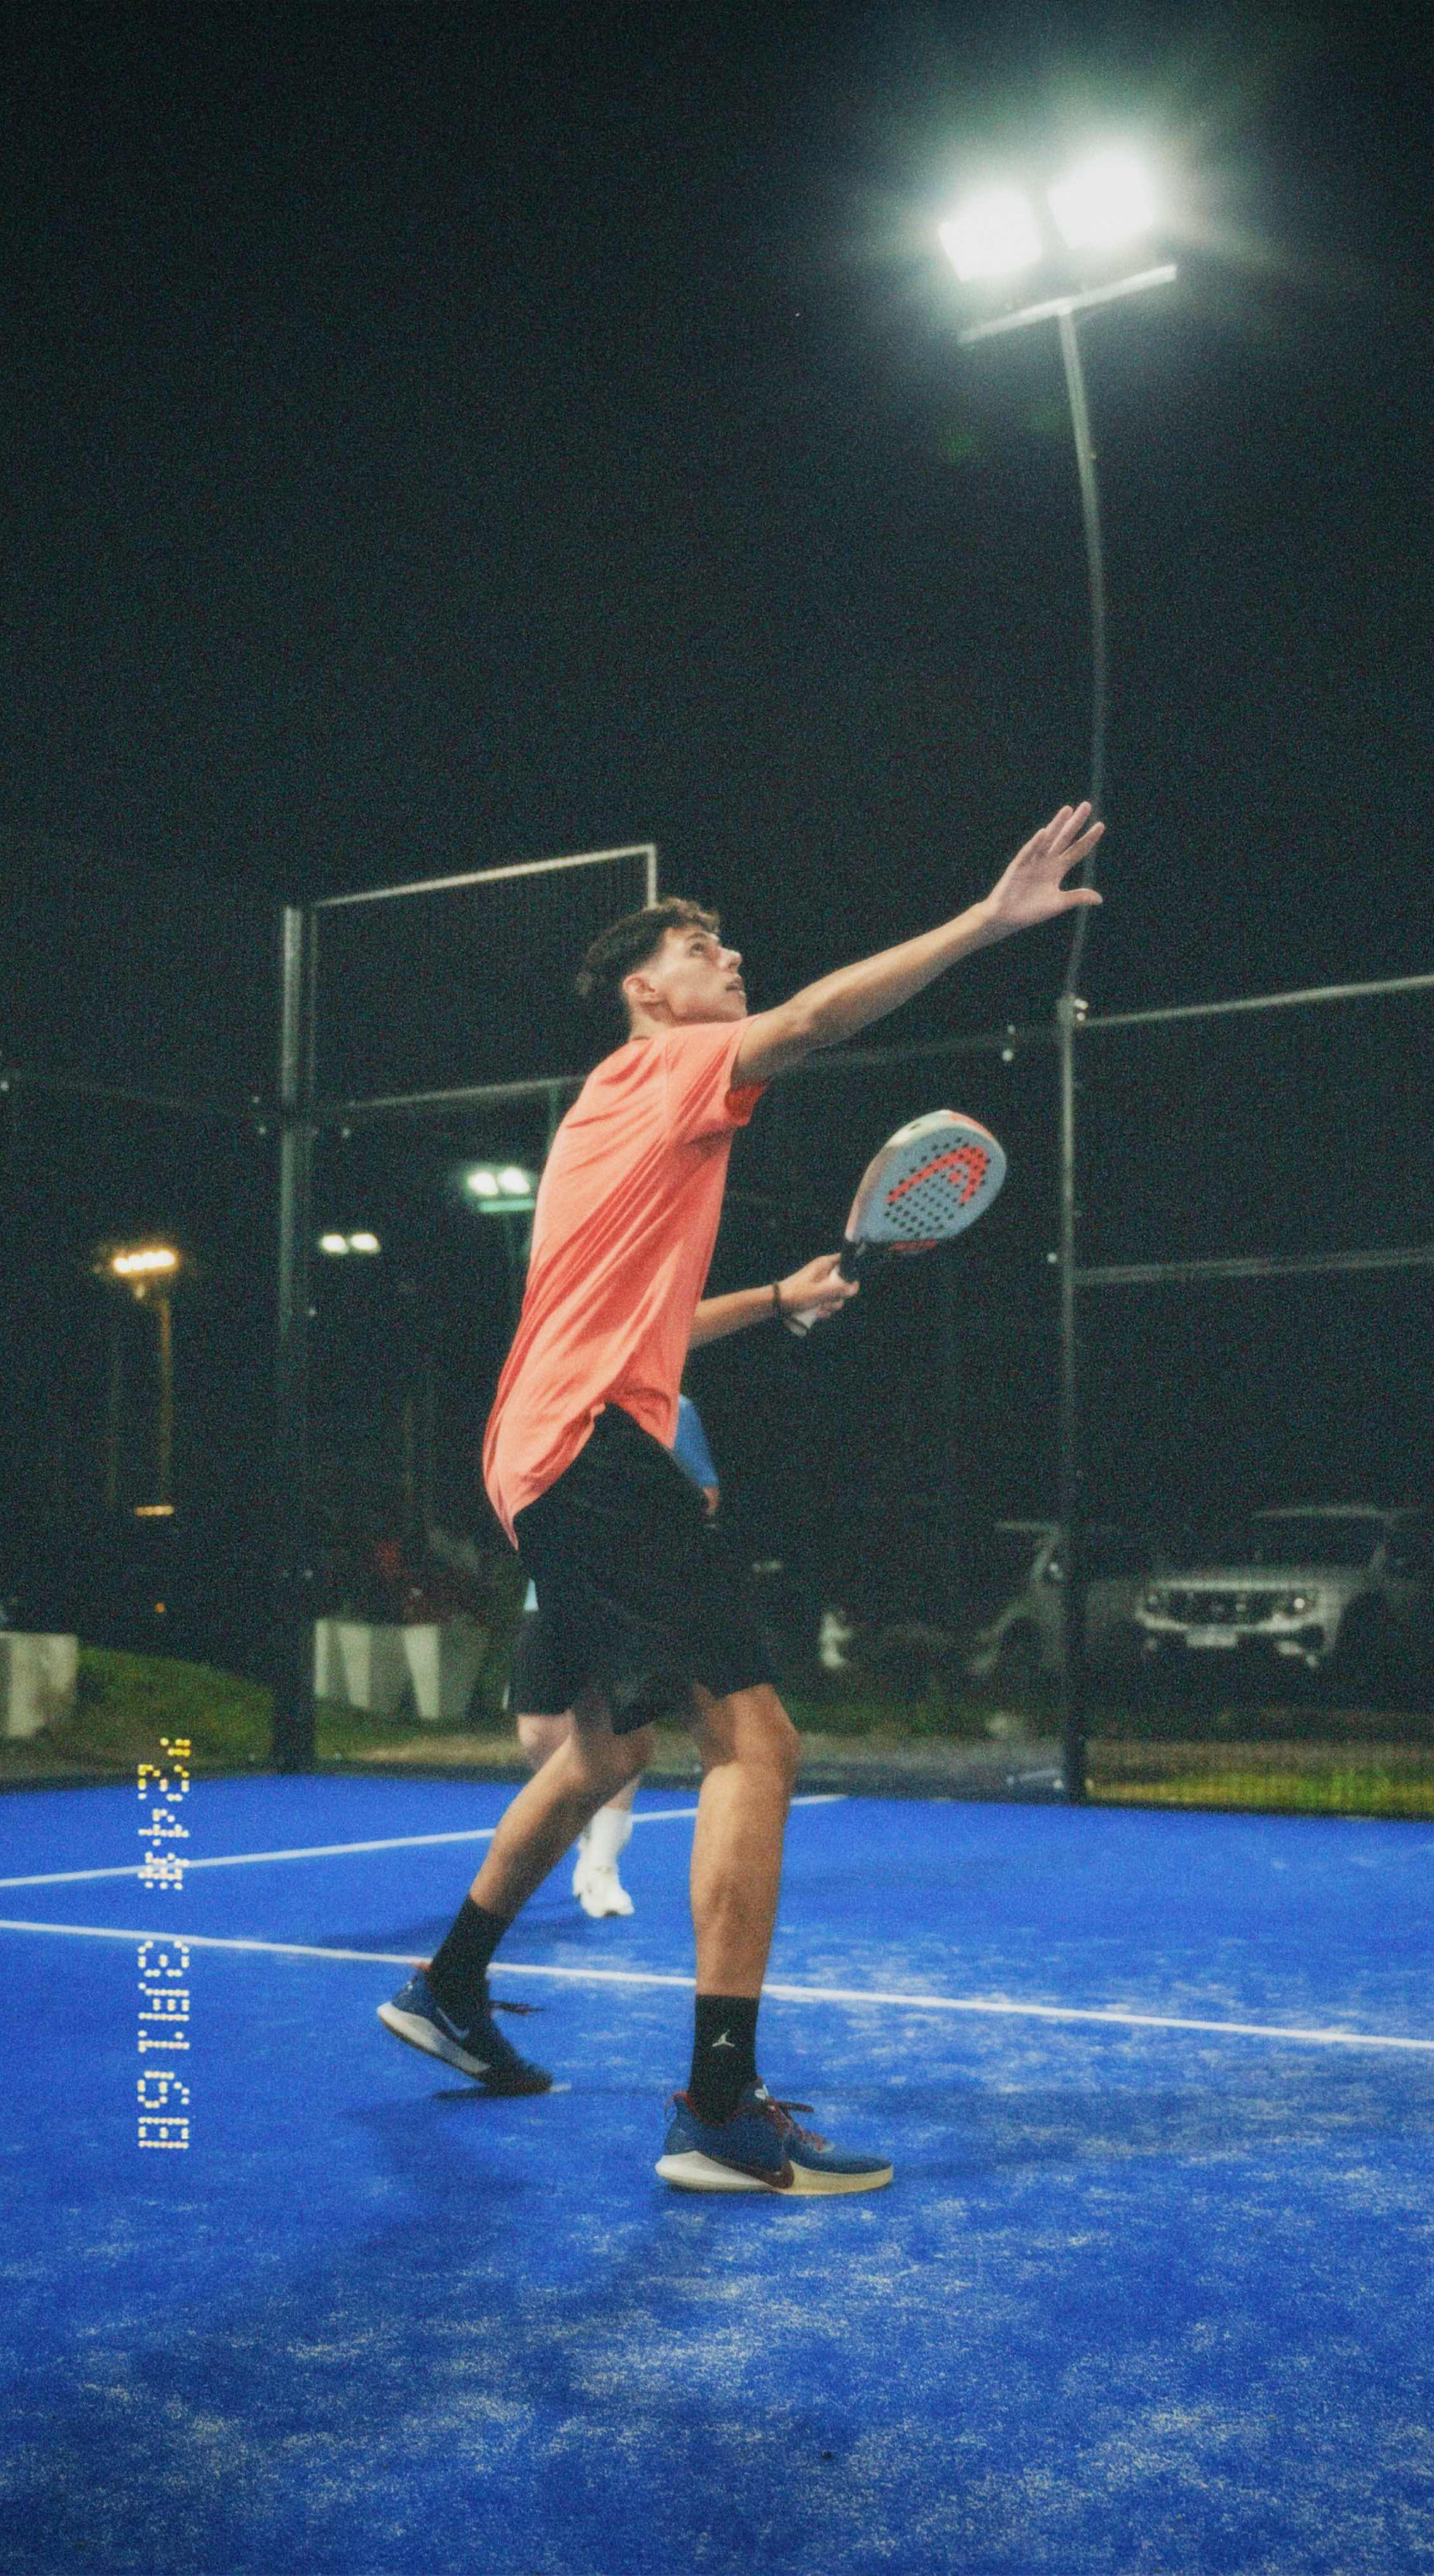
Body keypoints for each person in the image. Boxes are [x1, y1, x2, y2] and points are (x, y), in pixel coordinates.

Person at [378, 800, 1103, 2193]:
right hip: (591, 1451)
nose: (730, 956)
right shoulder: (660, 1066)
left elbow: (642, 1323)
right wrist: (987, 919)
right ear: (647, 992)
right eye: (701, 945)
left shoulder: (615, 1121)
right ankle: (718, 2110)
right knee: (754, 1741)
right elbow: (818, 1020)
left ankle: (448, 1986)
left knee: (604, 1754)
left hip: (543, 1445)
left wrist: (776, 1295)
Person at [511, 1387, 713, 1920]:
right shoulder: (561, 1396)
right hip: (551, 1587)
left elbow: (706, 1496)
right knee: (538, 1729)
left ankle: (602, 1861)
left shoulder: (674, 1408)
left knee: (617, 1728)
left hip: (625, 1594)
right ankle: (586, 1821)